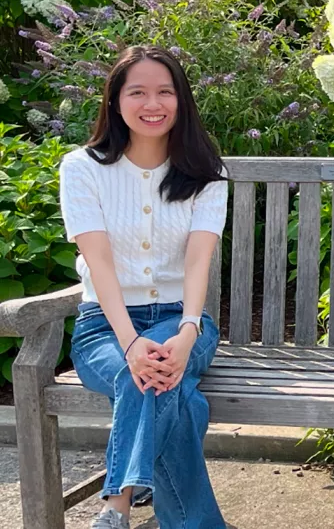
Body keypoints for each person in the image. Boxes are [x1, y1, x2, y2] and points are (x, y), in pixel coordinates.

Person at [59, 45, 228, 529]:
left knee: (156, 377)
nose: (152, 104)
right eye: (137, 92)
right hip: (104, 328)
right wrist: (131, 342)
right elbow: (100, 264)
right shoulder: (81, 169)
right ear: (115, 101)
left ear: (181, 101)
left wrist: (189, 332)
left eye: (164, 92)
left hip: (184, 319)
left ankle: (116, 508)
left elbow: (199, 261)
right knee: (174, 395)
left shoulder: (204, 173)